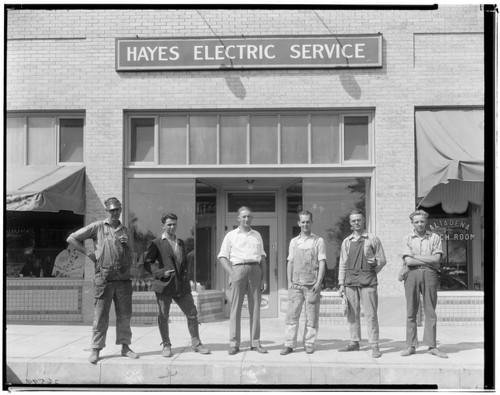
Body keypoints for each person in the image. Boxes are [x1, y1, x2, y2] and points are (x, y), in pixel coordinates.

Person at [67, 197, 138, 364]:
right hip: (104, 278)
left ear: (120, 210)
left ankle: (125, 347)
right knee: (100, 315)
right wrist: (90, 254)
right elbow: (72, 238)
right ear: (107, 211)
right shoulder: (98, 227)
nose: (115, 213)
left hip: (123, 279)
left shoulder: (126, 231)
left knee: (125, 315)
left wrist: (127, 245)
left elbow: (131, 257)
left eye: (117, 210)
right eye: (112, 210)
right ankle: (96, 349)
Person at [143, 213, 210, 357]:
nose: (172, 227)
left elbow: (184, 264)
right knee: (163, 316)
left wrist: (190, 281)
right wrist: (161, 272)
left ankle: (196, 343)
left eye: (174, 224)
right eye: (169, 224)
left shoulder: (181, 243)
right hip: (164, 286)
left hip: (182, 286)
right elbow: (147, 263)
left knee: (192, 313)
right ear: (163, 225)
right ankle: (166, 345)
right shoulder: (156, 243)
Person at [218, 206, 268, 355]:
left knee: (256, 309)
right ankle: (234, 343)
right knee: (235, 309)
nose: (247, 219)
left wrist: (264, 277)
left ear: (252, 218)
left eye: (249, 216)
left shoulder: (257, 235)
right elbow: (222, 256)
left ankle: (255, 342)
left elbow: (263, 257)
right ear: (238, 218)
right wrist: (232, 273)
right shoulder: (231, 235)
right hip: (238, 269)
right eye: (244, 216)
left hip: (255, 270)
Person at [338, 208, 386, 358]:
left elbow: (382, 260)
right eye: (353, 221)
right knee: (352, 314)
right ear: (350, 223)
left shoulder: (373, 239)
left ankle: (374, 345)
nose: (356, 223)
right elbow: (342, 264)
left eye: (358, 220)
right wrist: (341, 284)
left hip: (368, 283)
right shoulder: (347, 241)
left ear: (363, 220)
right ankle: (354, 342)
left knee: (371, 315)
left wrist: (371, 273)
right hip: (350, 282)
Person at [400, 210, 448, 358]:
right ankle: (411, 345)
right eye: (416, 222)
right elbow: (408, 261)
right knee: (411, 311)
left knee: (430, 312)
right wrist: (427, 258)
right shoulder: (407, 238)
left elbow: (436, 260)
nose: (420, 224)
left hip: (430, 274)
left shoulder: (434, 237)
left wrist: (415, 256)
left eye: (422, 221)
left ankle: (432, 346)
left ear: (426, 221)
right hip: (411, 274)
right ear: (412, 223)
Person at [280, 211, 326, 355]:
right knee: (292, 315)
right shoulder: (294, 242)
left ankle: (309, 343)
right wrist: (289, 283)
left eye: (308, 221)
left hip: (312, 285)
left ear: (311, 222)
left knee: (312, 315)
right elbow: (290, 263)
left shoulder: (318, 241)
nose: (305, 224)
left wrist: (318, 283)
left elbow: (322, 263)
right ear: (299, 223)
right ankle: (289, 344)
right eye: (303, 222)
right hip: (296, 285)